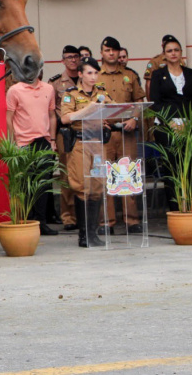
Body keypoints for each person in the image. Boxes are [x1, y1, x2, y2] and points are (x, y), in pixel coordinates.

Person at [60, 57, 112, 247]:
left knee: (97, 187)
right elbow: (65, 118)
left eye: (96, 73)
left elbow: (113, 110)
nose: (93, 77)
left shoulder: (102, 92)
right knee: (81, 186)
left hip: (98, 142)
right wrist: (89, 109)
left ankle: (94, 232)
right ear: (80, 74)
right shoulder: (71, 94)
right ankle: (84, 235)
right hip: (81, 143)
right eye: (89, 73)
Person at [96, 37, 145, 234]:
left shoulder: (130, 75)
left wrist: (134, 118)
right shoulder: (95, 76)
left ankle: (132, 221)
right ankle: (106, 223)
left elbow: (139, 102)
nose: (111, 54)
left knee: (128, 176)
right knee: (105, 178)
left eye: (114, 51)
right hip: (105, 134)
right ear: (101, 52)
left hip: (127, 133)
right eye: (107, 50)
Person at [149, 35, 192, 211]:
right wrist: (169, 122)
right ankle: (174, 208)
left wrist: (190, 122)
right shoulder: (158, 75)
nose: (173, 53)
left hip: (187, 125)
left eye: (176, 50)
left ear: (181, 53)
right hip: (166, 126)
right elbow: (155, 102)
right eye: (169, 51)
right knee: (171, 168)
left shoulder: (191, 74)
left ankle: (187, 205)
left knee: (186, 167)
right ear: (164, 54)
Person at [6, 75, 58, 236]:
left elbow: (52, 115)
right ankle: (26, 222)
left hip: (44, 141)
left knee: (43, 185)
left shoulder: (49, 88)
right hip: (23, 144)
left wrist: (53, 139)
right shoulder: (14, 90)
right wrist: (13, 143)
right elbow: (9, 118)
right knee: (24, 186)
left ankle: (41, 223)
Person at [48, 45, 81, 231]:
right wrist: (52, 138)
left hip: (85, 132)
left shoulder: (87, 79)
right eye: (69, 57)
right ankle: (68, 217)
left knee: (83, 174)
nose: (73, 60)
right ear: (63, 60)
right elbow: (51, 112)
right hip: (65, 133)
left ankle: (84, 213)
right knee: (66, 175)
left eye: (76, 56)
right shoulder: (56, 83)